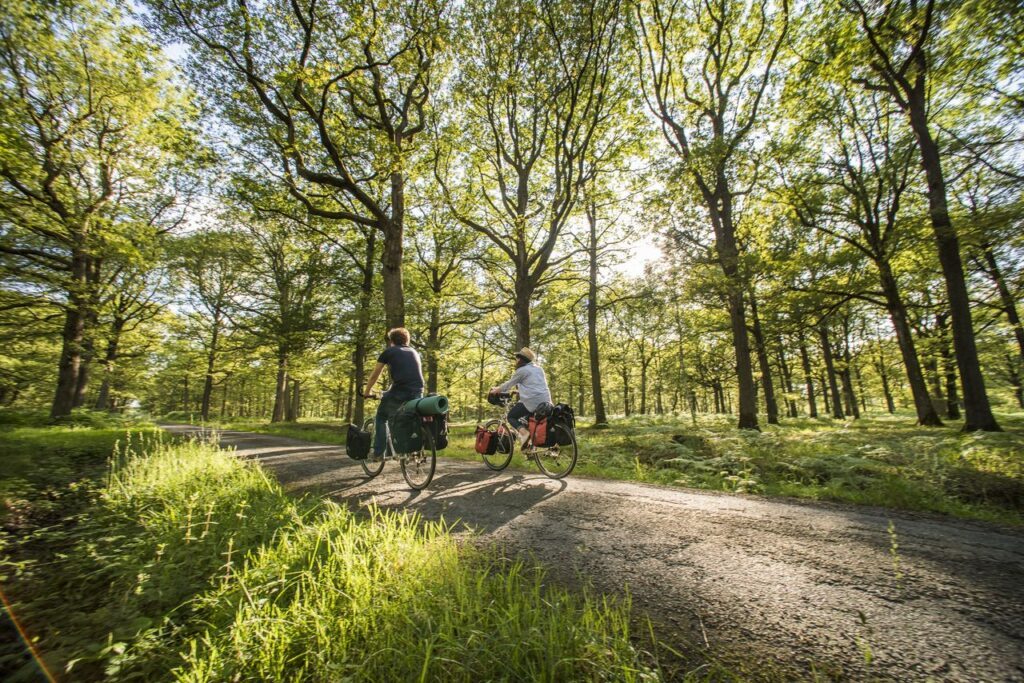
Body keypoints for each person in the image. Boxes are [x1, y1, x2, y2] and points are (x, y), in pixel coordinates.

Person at [363, 327, 424, 458]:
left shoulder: (389, 352)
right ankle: (411, 449)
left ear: (391, 341)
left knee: (381, 416)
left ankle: (379, 453)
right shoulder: (414, 352)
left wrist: (367, 392)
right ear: (407, 340)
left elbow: (375, 375)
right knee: (407, 417)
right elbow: (408, 375)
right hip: (418, 391)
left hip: (400, 392)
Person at [489, 347, 551, 447]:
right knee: (527, 421)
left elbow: (508, 384)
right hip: (546, 401)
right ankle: (530, 447)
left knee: (511, 416)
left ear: (521, 359)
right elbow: (534, 386)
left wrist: (496, 390)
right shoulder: (539, 369)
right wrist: (518, 392)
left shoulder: (522, 370)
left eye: (517, 358)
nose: (516, 360)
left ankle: (525, 434)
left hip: (532, 402)